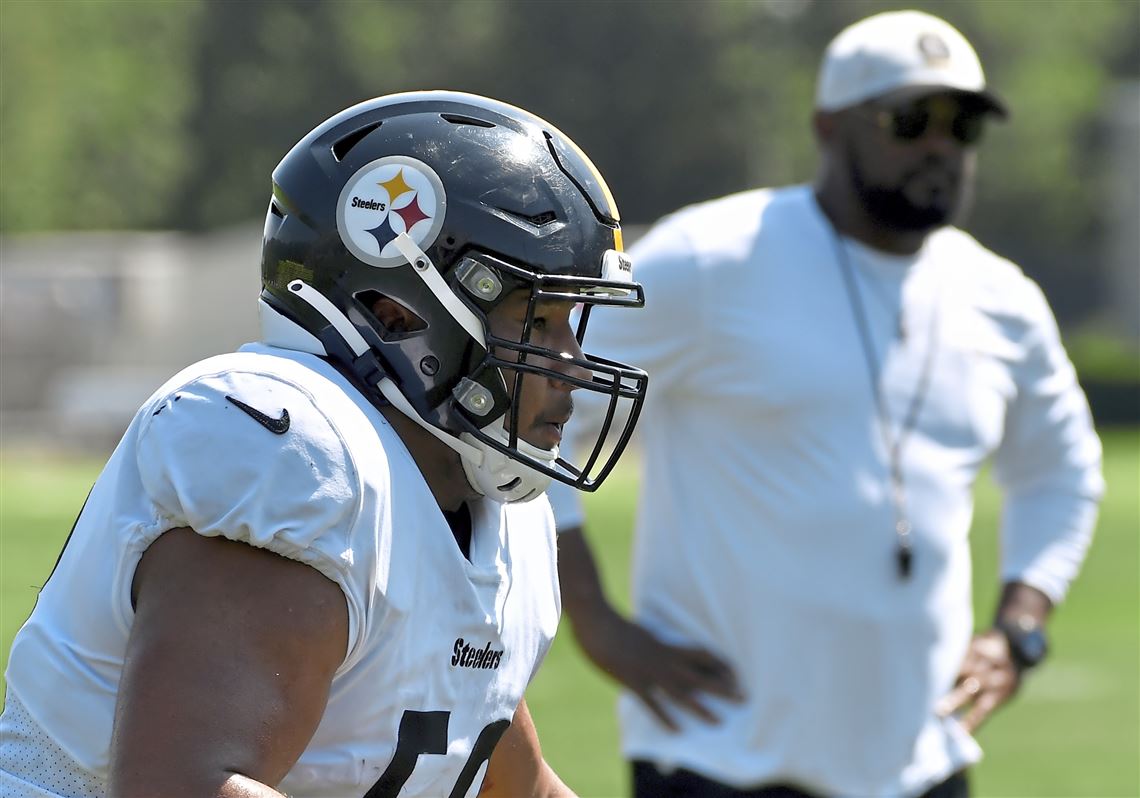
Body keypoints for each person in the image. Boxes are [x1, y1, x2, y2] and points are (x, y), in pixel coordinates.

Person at [0, 91, 650, 798]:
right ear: (398, 312)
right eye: (539, 321)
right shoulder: (298, 453)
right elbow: (181, 787)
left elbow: (509, 782)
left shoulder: (493, 508)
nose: (575, 366)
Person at [549, 10, 1104, 798]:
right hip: (719, 758)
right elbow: (534, 411)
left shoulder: (1001, 297)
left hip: (923, 765)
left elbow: (1062, 472)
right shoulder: (709, 258)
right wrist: (593, 617)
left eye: (963, 123)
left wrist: (1020, 628)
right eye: (910, 120)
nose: (940, 144)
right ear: (830, 127)